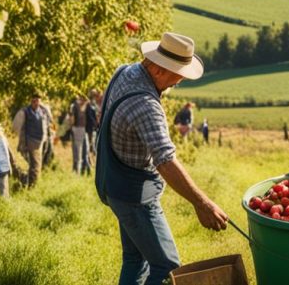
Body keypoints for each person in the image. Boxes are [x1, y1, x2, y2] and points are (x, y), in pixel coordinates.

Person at [95, 32, 228, 285]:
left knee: (136, 260)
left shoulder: (125, 71)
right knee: (167, 267)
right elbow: (165, 161)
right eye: (177, 75)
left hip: (112, 182)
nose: (178, 82)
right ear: (157, 69)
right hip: (134, 196)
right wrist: (203, 204)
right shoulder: (145, 105)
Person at [12, 93, 54, 188]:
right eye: (33, 101)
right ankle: (32, 185)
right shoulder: (26, 112)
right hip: (31, 141)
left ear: (40, 101)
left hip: (41, 142)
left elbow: (50, 122)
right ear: (31, 101)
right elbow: (16, 127)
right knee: (34, 165)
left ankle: (32, 184)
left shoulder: (43, 111)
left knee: (37, 164)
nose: (35, 103)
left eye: (37, 101)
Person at [70, 95, 91, 175]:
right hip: (78, 128)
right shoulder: (76, 106)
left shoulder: (78, 105)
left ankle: (79, 171)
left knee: (82, 151)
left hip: (81, 129)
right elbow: (72, 120)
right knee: (78, 152)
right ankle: (77, 172)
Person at [87, 90, 101, 156]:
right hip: (91, 126)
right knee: (91, 141)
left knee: (94, 140)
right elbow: (90, 115)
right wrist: (95, 122)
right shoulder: (90, 104)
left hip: (96, 126)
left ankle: (94, 153)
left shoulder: (94, 104)